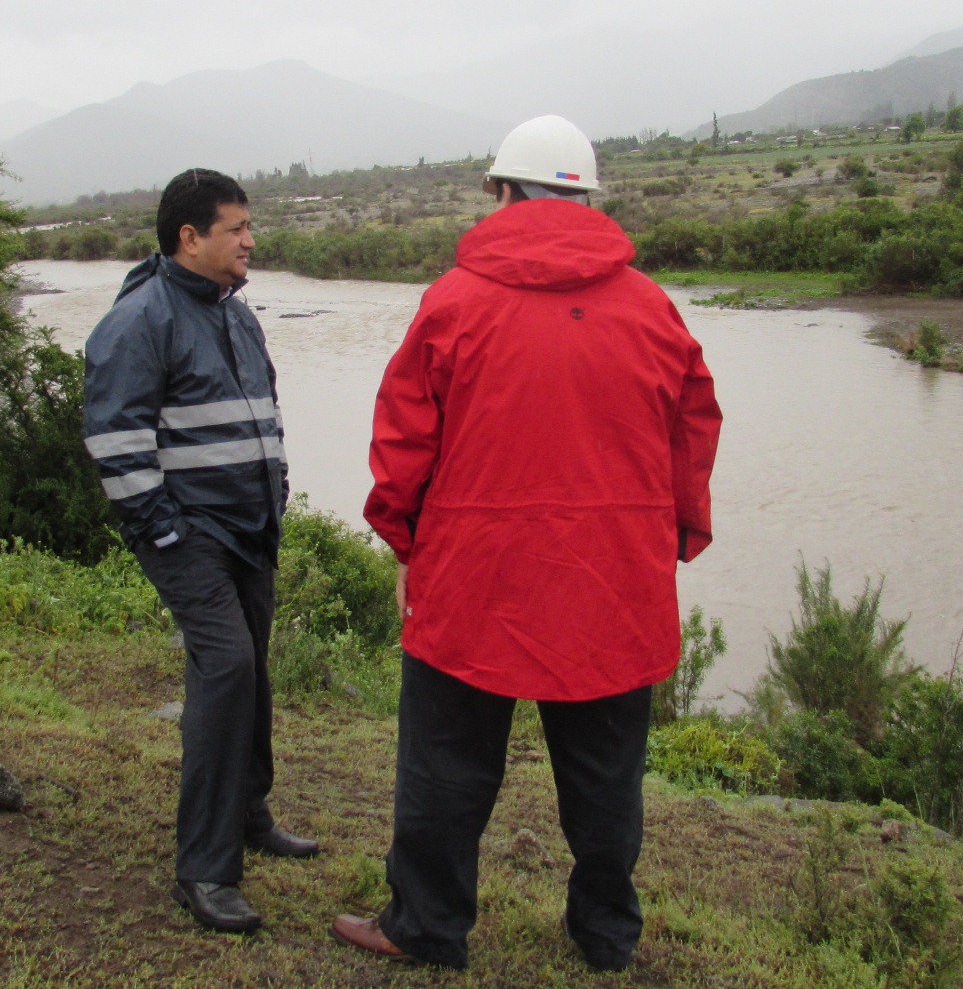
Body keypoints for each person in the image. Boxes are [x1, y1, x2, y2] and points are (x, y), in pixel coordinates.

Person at [331, 116, 722, 971]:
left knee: (445, 765)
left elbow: (402, 443)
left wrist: (404, 543)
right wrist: (669, 539)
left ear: (503, 192)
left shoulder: (452, 301)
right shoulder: (651, 308)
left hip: (472, 579)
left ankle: (426, 926)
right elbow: (692, 433)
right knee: (606, 775)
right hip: (613, 582)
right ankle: (605, 935)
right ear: (587, 198)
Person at [83, 168, 318, 935]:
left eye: (250, 226)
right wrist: (164, 530)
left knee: (251, 666)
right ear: (190, 237)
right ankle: (205, 870)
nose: (250, 240)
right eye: (236, 228)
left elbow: (264, 415)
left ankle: (249, 813)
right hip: (189, 535)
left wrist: (276, 492)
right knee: (226, 668)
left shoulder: (237, 315)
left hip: (251, 528)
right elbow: (114, 440)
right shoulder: (138, 320)